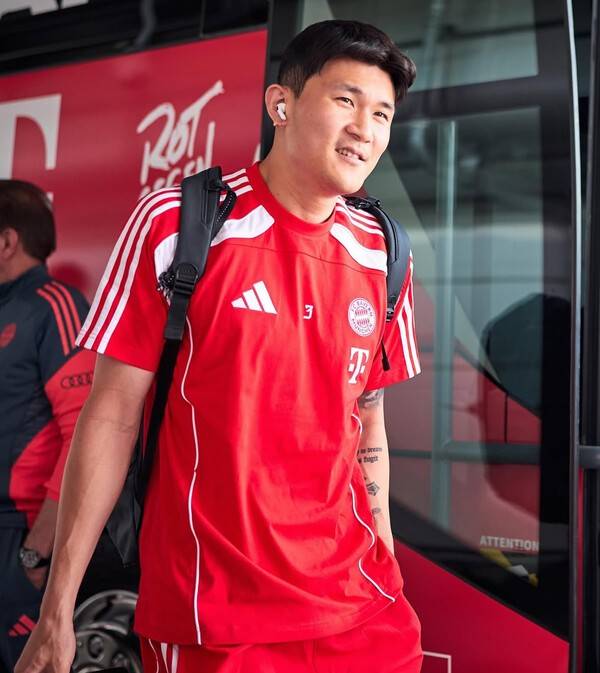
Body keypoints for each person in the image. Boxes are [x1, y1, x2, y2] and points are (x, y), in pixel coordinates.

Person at [16, 19, 422, 673]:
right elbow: (112, 414)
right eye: (346, 100)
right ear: (281, 104)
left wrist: (387, 554)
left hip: (364, 611)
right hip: (217, 614)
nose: (365, 129)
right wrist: (57, 610)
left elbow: (366, 415)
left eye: (382, 113)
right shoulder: (177, 225)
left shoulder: (384, 251)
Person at [0, 180, 94, 673]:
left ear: (7, 242)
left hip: (18, 541)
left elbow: (85, 430)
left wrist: (37, 553)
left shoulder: (55, 305)